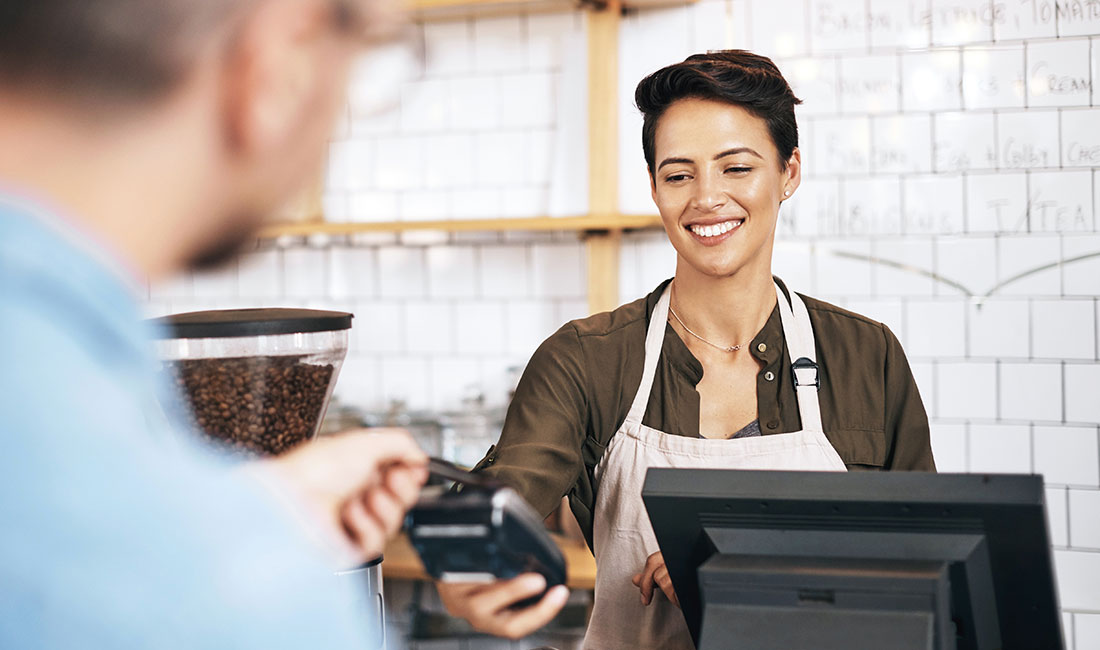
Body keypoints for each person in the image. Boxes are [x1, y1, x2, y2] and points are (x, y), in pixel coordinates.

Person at [437, 50, 936, 648]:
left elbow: (928, 568)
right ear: (655, 188)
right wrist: (464, 560)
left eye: (736, 168)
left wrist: (740, 570)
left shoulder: (865, 356)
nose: (706, 198)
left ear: (789, 172)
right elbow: (486, 519)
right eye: (679, 174)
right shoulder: (586, 361)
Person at [0, 1, 429, 647]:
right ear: (279, 62)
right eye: (371, 51)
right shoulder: (242, 593)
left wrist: (256, 503)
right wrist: (238, 542)